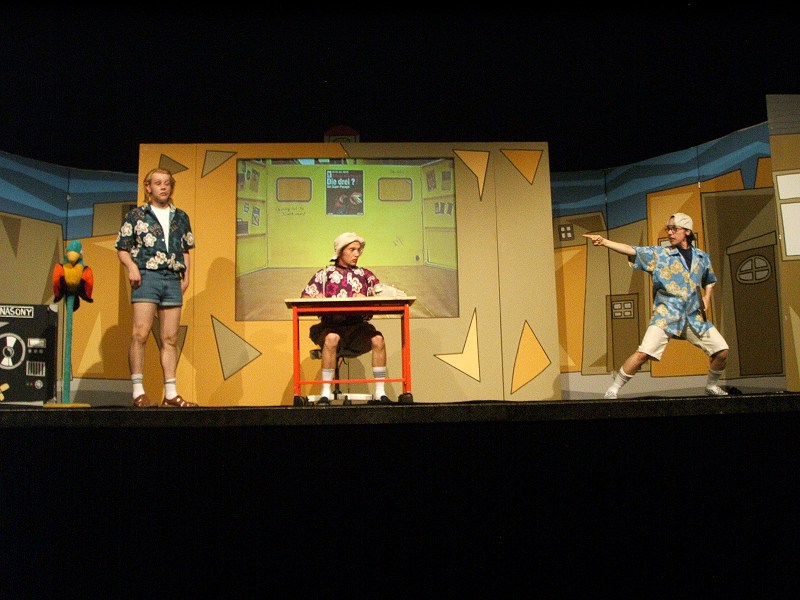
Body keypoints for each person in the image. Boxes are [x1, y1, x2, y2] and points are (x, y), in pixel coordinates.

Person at [583, 212, 729, 399]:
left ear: (687, 231)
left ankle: (711, 386)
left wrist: (707, 297)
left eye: (674, 229)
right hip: (666, 315)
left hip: (693, 315)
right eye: (668, 229)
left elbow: (709, 280)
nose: (670, 233)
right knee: (643, 354)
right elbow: (632, 250)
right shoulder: (660, 254)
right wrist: (604, 242)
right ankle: (613, 389)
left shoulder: (701, 257)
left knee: (722, 351)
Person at [115, 167, 197, 408]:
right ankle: (138, 392)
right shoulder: (136, 215)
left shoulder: (180, 217)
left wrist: (186, 276)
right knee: (140, 333)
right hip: (146, 276)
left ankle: (171, 394)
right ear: (148, 187)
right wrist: (131, 266)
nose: (163, 187)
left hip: (172, 277)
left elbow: (186, 249)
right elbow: (122, 248)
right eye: (158, 183)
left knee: (170, 338)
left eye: (167, 183)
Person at [300, 231, 392, 405]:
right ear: (341, 251)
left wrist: (367, 298)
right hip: (331, 327)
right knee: (331, 338)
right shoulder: (324, 275)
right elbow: (304, 298)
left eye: (358, 250)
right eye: (352, 250)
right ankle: (325, 393)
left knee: (378, 339)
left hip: (358, 329)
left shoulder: (366, 275)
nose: (357, 254)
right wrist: (315, 298)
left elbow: (383, 294)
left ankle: (380, 392)